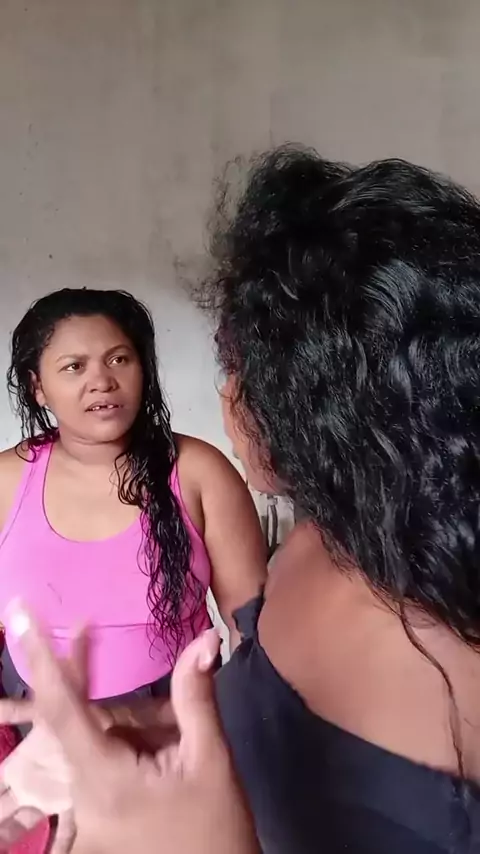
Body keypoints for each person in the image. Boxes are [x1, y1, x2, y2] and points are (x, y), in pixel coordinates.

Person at [0, 287, 266, 847]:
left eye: (119, 358)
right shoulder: (5, 481)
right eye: (74, 367)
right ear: (37, 386)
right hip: (38, 726)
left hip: (172, 721)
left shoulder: (197, 471)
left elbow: (254, 632)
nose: (102, 380)